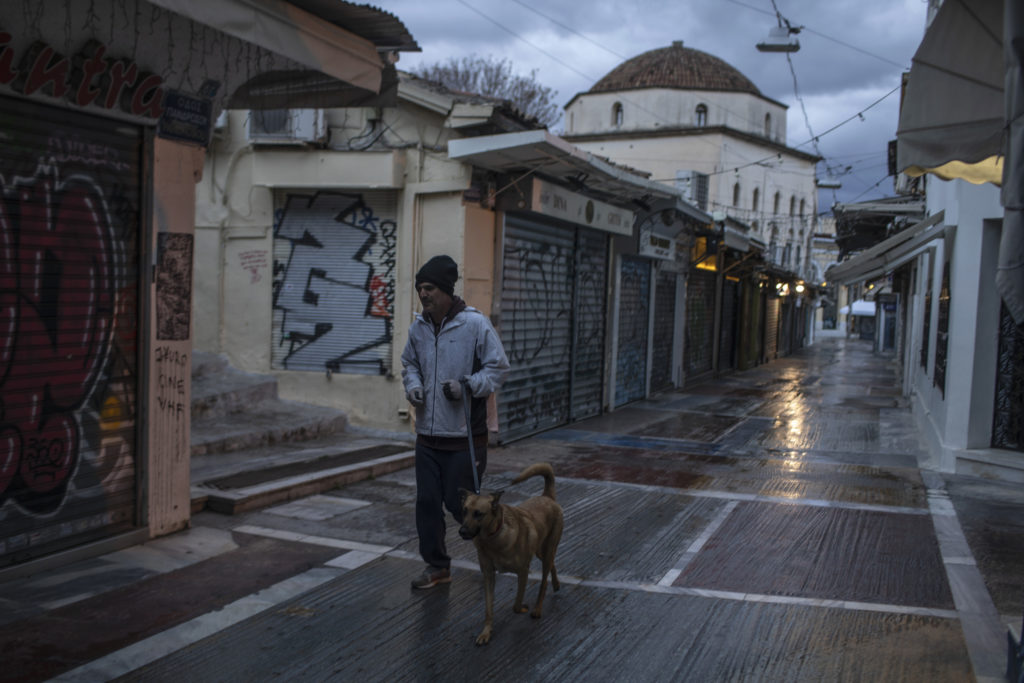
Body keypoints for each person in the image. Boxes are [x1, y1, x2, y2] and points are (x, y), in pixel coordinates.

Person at [401, 254, 509, 589]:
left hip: (464, 438)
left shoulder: (475, 324)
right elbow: (409, 364)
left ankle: (496, 548)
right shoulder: (418, 327)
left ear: (447, 290)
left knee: (460, 505)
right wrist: (414, 386)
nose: (423, 294)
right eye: (419, 288)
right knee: (427, 503)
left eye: (429, 287)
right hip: (428, 437)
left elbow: (498, 368)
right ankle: (437, 566)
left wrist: (467, 387)